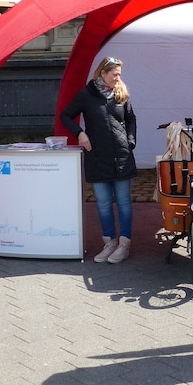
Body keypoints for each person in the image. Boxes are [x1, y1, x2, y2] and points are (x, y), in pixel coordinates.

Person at [60, 55, 137, 264]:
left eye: (119, 75)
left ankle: (124, 245)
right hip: (97, 157)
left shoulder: (121, 93)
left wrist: (130, 141)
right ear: (103, 73)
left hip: (122, 156)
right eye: (115, 74)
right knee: (103, 204)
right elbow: (65, 115)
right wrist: (80, 133)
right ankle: (109, 243)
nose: (118, 78)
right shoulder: (86, 94)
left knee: (123, 202)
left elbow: (130, 119)